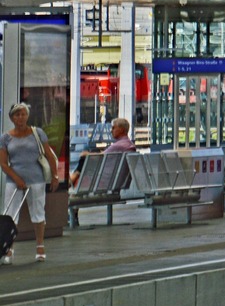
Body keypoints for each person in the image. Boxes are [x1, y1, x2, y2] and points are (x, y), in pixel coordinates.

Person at [0, 102, 59, 263]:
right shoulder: (5, 137)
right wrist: (17, 178)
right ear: (12, 118)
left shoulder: (37, 133)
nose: (21, 117)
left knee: (38, 212)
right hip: (13, 180)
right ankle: (8, 247)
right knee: (10, 214)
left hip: (36, 179)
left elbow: (49, 155)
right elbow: (3, 163)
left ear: (27, 116)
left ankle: (40, 246)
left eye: (23, 114)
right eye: (17, 115)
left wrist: (55, 176)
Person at [69, 117, 137, 187]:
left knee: (85, 158)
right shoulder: (129, 145)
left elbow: (99, 157)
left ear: (121, 129)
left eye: (113, 128)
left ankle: (73, 177)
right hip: (117, 181)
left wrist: (85, 154)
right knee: (91, 154)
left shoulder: (119, 146)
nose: (111, 130)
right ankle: (74, 175)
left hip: (105, 181)